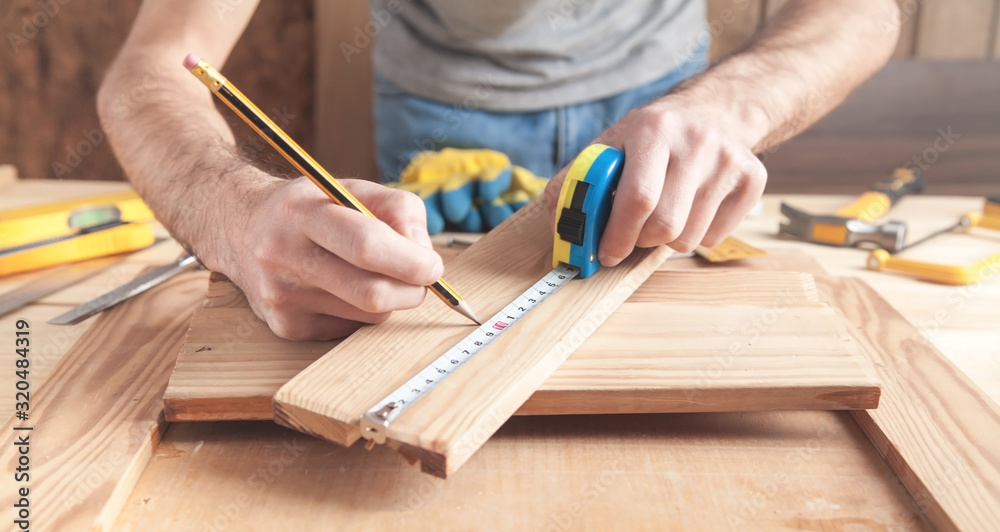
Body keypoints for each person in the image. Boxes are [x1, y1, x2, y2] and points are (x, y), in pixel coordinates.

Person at [98, 0, 900, 340]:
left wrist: (734, 106)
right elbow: (154, 69)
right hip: (445, 114)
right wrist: (236, 216)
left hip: (672, 101)